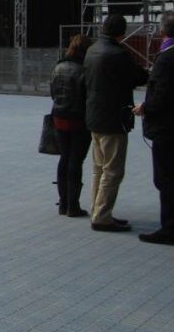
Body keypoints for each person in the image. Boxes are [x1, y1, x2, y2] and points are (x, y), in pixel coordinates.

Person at [82, 14, 149, 232]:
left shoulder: (91, 50)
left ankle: (98, 210)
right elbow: (139, 77)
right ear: (121, 32)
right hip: (113, 119)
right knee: (113, 171)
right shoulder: (118, 54)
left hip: (94, 115)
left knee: (98, 169)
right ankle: (102, 216)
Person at [133, 11, 174, 245]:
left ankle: (170, 229)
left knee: (167, 180)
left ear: (162, 33)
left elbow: (161, 96)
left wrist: (145, 108)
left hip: (169, 130)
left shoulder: (166, 59)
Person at [49, 34, 93, 217]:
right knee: (76, 161)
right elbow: (87, 95)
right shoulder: (84, 70)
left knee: (64, 158)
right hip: (78, 120)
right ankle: (73, 205)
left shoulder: (58, 67)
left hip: (59, 118)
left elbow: (53, 92)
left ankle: (63, 203)